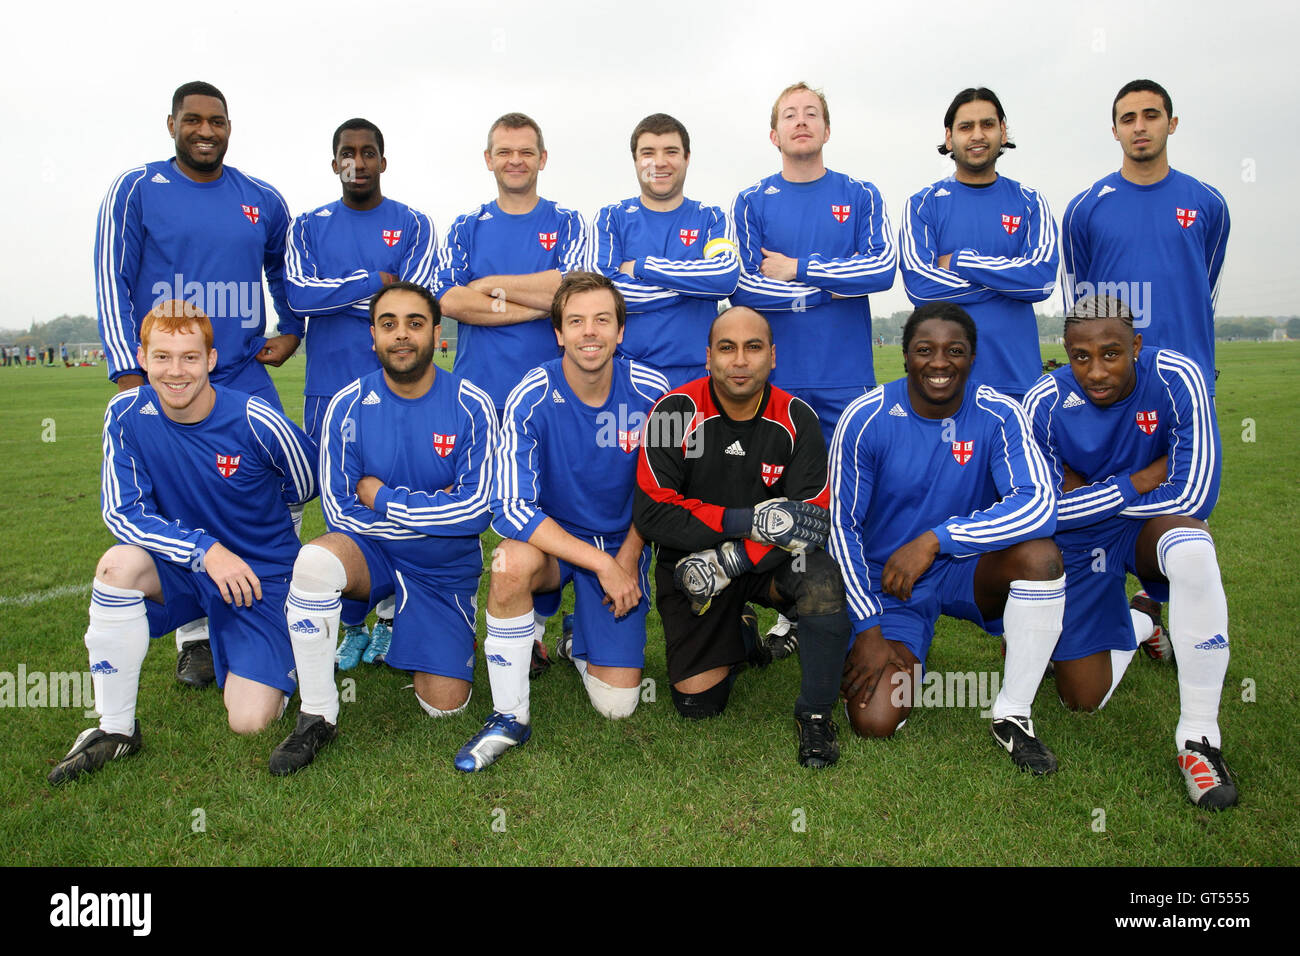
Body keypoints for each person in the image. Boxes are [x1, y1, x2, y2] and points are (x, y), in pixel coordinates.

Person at [48, 301, 316, 785]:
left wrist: (263, 542)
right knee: (118, 566)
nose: (176, 371)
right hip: (188, 566)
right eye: (163, 356)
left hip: (260, 577)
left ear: (211, 360)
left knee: (249, 721)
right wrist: (205, 550)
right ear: (142, 357)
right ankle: (115, 728)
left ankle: (283, 650)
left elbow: (305, 482)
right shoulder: (126, 414)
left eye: (189, 357)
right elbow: (122, 513)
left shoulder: (256, 419)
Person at [95, 81, 299, 690]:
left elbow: (281, 267)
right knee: (173, 495)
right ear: (171, 124)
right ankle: (197, 633)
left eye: (216, 120)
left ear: (229, 127)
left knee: (271, 488)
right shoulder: (136, 188)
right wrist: (134, 376)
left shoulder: (262, 197)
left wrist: (289, 326)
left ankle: (276, 605)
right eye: (193, 120)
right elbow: (112, 273)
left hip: (240, 370)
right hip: (171, 375)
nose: (205, 130)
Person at [270, 282, 496, 774]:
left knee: (445, 708)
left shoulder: (472, 403)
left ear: (439, 334)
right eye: (388, 324)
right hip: (372, 555)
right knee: (315, 560)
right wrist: (428, 518)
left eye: (415, 323)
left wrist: (385, 499)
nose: (401, 335)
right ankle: (317, 715)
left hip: (441, 569)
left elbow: (478, 510)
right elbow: (337, 510)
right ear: (372, 336)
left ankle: (434, 630)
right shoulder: (346, 406)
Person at [828, 303, 1064, 773]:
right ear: (905, 356)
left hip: (965, 569)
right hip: (889, 584)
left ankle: (1013, 713)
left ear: (972, 358)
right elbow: (841, 529)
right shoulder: (866, 416)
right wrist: (869, 631)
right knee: (875, 721)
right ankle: (905, 642)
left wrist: (938, 539)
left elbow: (1038, 503)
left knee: (1040, 558)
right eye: (924, 350)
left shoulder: (999, 413)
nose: (939, 363)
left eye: (954, 351)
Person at [1023, 294, 1236, 809]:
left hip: (1148, 531)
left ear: (1136, 345)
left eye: (1111, 354)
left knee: (1191, 548)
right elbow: (1046, 510)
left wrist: (1088, 494)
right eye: (1080, 357)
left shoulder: (1177, 377)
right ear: (1066, 351)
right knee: (1081, 699)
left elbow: (1195, 493)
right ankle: (1144, 621)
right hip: (1083, 542)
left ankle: (1199, 740)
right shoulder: (1043, 402)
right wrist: (1142, 477)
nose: (1095, 371)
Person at [453, 273, 669, 771]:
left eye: (601, 320)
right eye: (575, 321)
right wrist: (601, 564)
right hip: (555, 543)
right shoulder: (531, 392)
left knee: (617, 706)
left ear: (620, 332)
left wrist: (627, 558)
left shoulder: (653, 391)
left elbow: (663, 489)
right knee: (508, 561)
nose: (589, 332)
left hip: (622, 543)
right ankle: (509, 716)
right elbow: (509, 508)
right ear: (559, 334)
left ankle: (578, 637)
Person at [634, 305, 849, 768]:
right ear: (708, 356)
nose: (739, 360)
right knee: (698, 705)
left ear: (772, 356)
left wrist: (732, 560)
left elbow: (809, 519)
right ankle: (744, 633)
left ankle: (814, 715)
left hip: (771, 563)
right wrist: (746, 521)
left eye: (753, 348)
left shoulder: (797, 417)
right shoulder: (676, 411)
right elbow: (653, 511)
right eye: (727, 348)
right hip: (693, 566)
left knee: (822, 581)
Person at [730, 82, 897, 652]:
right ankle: (793, 606)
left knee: (848, 496)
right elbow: (744, 286)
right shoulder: (751, 201)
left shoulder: (861, 194)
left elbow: (879, 271)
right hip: (777, 377)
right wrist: (827, 287)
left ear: (827, 129)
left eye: (812, 114)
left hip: (845, 375)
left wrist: (799, 270)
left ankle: (856, 607)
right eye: (789, 116)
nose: (801, 123)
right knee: (777, 498)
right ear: (774, 134)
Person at [283, 118, 439, 669]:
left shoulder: (415, 223)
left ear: (383, 161)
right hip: (329, 390)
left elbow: (413, 302)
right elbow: (300, 294)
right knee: (340, 503)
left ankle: (394, 617)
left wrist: (360, 293)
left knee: (396, 497)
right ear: (334, 164)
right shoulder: (306, 226)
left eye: (368, 152)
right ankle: (351, 622)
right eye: (347, 153)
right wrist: (372, 282)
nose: (358, 162)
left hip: (401, 390)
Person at [436, 112, 587, 674]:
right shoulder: (464, 227)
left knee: (552, 504)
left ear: (543, 158)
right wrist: (538, 300)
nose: (516, 160)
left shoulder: (569, 221)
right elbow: (451, 301)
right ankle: (466, 620)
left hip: (558, 392)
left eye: (527, 151)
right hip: (482, 396)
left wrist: (492, 287)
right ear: (489, 159)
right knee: (473, 509)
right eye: (505, 151)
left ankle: (545, 626)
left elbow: (572, 288)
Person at [1062, 79, 1229, 398]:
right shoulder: (1084, 209)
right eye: (1128, 119)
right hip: (1114, 383)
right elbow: (1078, 304)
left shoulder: (1208, 203)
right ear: (1114, 130)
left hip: (1188, 378)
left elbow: (1206, 294)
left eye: (1151, 116)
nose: (1139, 127)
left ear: (1172, 123)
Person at [899, 88, 1059, 399]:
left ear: (1003, 131)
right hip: (944, 387)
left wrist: (960, 262)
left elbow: (1040, 282)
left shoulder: (1030, 203)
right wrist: (1008, 286)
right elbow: (919, 286)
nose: (977, 135)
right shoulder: (923, 204)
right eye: (965, 127)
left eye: (987, 124)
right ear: (949, 137)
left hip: (1017, 382)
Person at [591, 113, 739, 390]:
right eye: (648, 153)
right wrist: (693, 288)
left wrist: (640, 267)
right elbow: (605, 295)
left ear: (687, 158)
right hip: (627, 377)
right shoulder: (611, 218)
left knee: (694, 436)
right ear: (635, 160)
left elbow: (725, 277)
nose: (659, 162)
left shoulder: (711, 219)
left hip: (698, 378)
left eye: (671, 151)